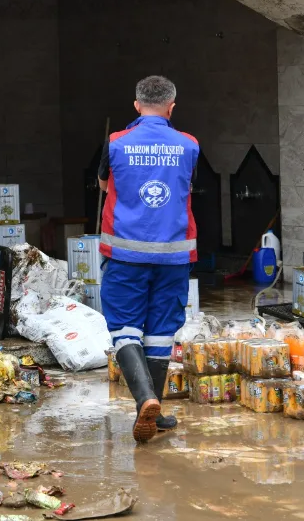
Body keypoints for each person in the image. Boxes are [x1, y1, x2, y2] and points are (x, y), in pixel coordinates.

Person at [97, 75, 198, 443]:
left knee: (124, 327)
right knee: (160, 332)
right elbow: (187, 185)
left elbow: (106, 185)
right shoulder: (189, 145)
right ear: (172, 107)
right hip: (173, 255)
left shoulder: (115, 143)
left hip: (126, 254)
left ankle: (146, 401)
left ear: (136, 105)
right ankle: (153, 409)